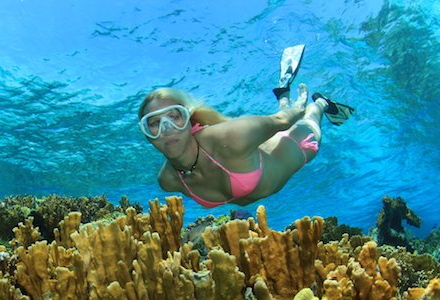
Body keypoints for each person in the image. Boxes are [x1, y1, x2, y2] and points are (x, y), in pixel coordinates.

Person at [138, 45, 354, 208]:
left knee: (307, 122)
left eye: (175, 117)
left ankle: (321, 103)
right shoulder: (168, 180)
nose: (166, 128)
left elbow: (282, 122)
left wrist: (299, 109)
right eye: (154, 124)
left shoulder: (232, 136)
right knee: (278, 123)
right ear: (148, 136)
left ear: (190, 119)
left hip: (293, 147)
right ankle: (283, 94)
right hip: (255, 152)